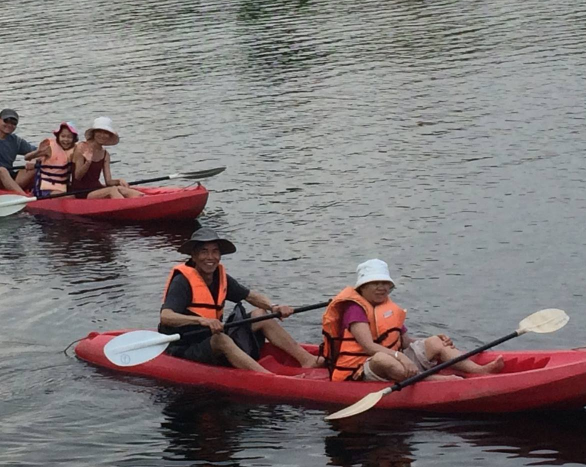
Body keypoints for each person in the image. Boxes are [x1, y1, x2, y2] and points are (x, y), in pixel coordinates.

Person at [160, 227, 322, 372]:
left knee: (260, 314)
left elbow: (250, 296)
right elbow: (166, 316)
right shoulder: (182, 282)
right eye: (204, 251)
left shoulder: (219, 277)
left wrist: (274, 307)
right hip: (184, 346)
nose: (210, 257)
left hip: (209, 337)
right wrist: (202, 321)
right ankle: (270, 378)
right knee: (221, 339)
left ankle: (307, 360)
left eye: (215, 251)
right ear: (194, 256)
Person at [320, 259, 504, 382]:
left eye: (385, 283)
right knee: (381, 358)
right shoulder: (355, 309)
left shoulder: (385, 307)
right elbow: (369, 347)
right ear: (362, 287)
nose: (381, 288)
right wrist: (400, 358)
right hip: (360, 369)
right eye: (375, 283)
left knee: (435, 341)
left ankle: (479, 371)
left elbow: (405, 340)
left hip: (394, 356)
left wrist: (436, 341)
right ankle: (434, 380)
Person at [70, 116, 145, 199]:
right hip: (82, 192)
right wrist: (88, 162)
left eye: (106, 133)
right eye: (99, 132)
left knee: (121, 189)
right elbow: (77, 176)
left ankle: (145, 199)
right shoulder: (82, 148)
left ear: (109, 135)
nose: (102, 135)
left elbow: (108, 181)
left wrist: (119, 180)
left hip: (97, 189)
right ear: (94, 133)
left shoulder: (105, 154)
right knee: (112, 190)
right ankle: (127, 206)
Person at [27, 121, 78, 196]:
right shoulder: (50, 148)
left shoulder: (75, 150)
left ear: (74, 138)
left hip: (61, 187)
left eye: (69, 137)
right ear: (58, 136)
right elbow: (27, 157)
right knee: (71, 197)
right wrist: (37, 152)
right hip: (45, 189)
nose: (66, 140)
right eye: (63, 136)